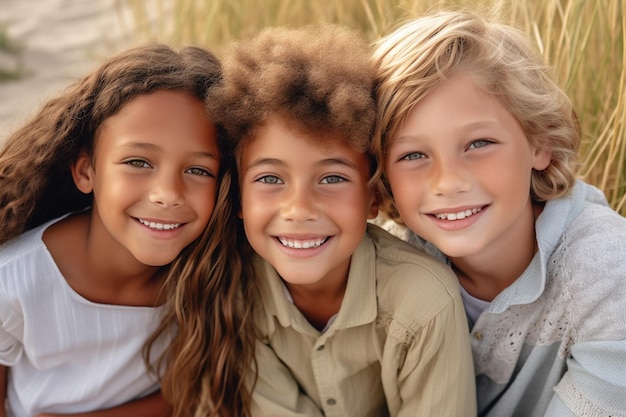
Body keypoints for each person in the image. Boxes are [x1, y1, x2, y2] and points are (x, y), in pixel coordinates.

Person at [206, 24, 476, 417]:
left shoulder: (425, 302)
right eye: (269, 179)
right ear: (240, 198)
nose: (299, 209)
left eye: (332, 178)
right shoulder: (235, 288)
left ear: (373, 197)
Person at [372, 9, 626, 417]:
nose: (447, 182)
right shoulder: (383, 264)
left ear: (539, 142)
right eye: (413, 154)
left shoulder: (609, 272)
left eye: (478, 143)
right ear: (383, 175)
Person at [0, 43, 243, 417]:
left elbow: (197, 392)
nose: (167, 194)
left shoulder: (213, 272)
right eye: (138, 161)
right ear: (86, 171)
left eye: (198, 170)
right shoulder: (11, 283)